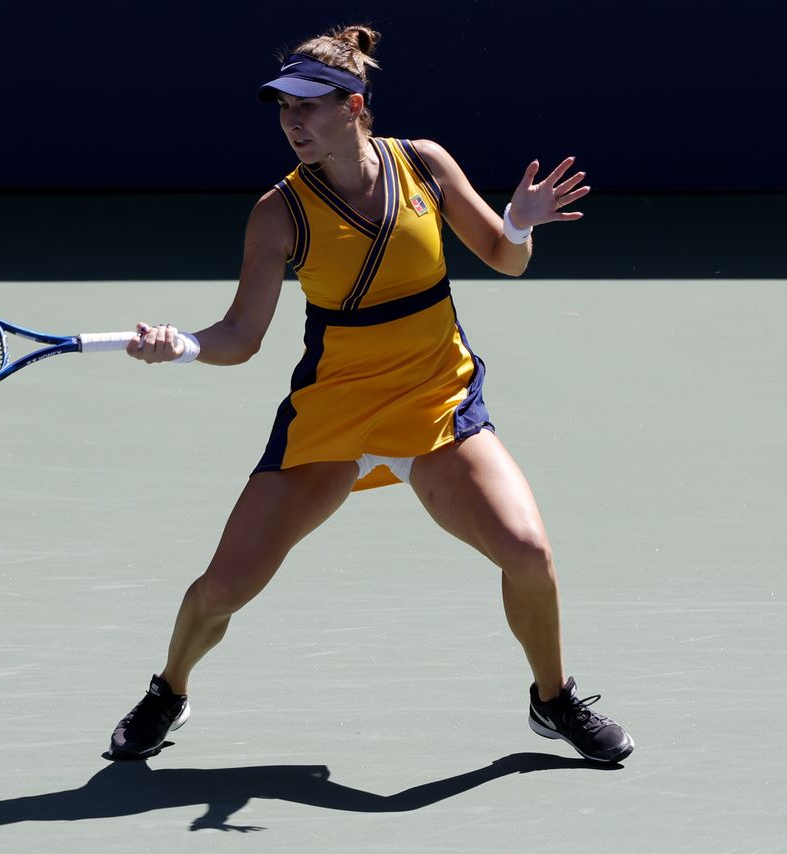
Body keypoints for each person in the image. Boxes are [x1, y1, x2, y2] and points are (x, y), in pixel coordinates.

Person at [107, 24, 633, 765]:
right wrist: (185, 346)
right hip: (332, 424)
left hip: (436, 407)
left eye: (308, 107)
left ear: (353, 105)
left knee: (528, 552)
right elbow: (240, 335)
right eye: (283, 109)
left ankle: (552, 700)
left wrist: (517, 221)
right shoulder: (278, 213)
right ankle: (169, 689)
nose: (292, 122)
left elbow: (505, 260)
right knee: (219, 590)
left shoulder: (424, 163)